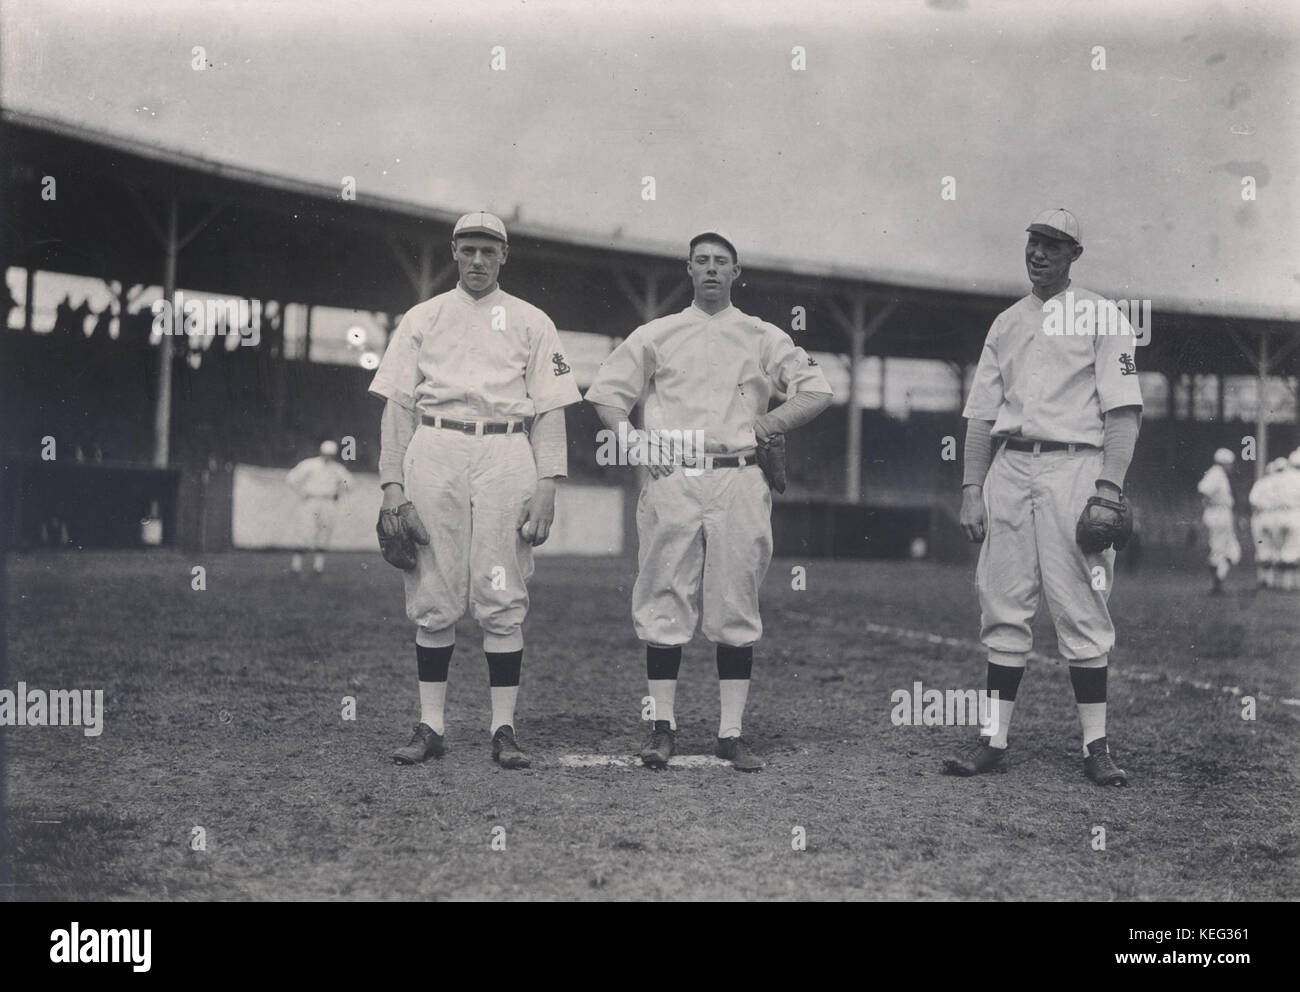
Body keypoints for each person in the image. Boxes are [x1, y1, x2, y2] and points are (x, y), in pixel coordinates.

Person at [585, 231, 833, 772]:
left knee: (734, 601)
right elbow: (606, 393)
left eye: (723, 262)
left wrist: (768, 423)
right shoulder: (659, 332)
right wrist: (632, 442)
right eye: (702, 261)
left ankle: (731, 732)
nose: (712, 270)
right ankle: (661, 728)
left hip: (739, 475)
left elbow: (818, 389)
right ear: (689, 270)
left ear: (737, 271)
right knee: (663, 598)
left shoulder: (761, 335)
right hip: (674, 472)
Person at [370, 211, 581, 769]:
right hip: (435, 446)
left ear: (504, 255)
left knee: (501, 586)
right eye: (468, 250)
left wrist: (548, 485)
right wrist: (392, 485)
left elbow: (552, 409)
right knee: (433, 589)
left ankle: (504, 729)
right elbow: (398, 405)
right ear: (454, 253)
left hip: (507, 449)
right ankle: (431, 725)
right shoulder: (423, 317)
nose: (478, 260)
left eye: (489, 250)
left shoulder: (532, 320)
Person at [947, 208, 1143, 787]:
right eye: (1033, 243)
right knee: (1002, 603)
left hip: (1074, 467)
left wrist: (1109, 487)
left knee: (1081, 605)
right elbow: (981, 416)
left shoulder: (1105, 317)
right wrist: (970, 489)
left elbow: (1124, 412)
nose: (1039, 254)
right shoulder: (1006, 322)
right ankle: (993, 741)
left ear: (1074, 256)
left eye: (1053, 246)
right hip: (1010, 468)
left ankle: (1096, 747)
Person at [286, 440, 352, 575]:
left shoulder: (337, 468)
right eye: (326, 454)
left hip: (328, 501)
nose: (328, 457)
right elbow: (291, 478)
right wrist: (302, 492)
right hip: (311, 500)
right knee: (304, 531)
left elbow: (350, 483)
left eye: (331, 454)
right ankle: (296, 566)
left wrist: (338, 492)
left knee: (324, 531)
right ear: (321, 452)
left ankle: (318, 566)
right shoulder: (309, 465)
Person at [1197, 448, 1241, 594]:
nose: (1232, 467)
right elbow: (1205, 491)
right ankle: (1216, 584)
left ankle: (1218, 580)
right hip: (1218, 513)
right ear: (1225, 462)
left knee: (1231, 551)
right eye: (1230, 463)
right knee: (1219, 550)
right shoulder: (1216, 472)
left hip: (1219, 512)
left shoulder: (1218, 474)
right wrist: (1209, 504)